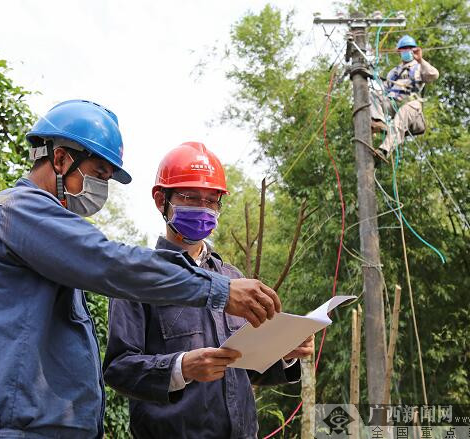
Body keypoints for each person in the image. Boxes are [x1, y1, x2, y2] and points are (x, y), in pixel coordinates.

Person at [0, 101, 282, 439]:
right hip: (7, 429)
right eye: (99, 174)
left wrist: (281, 348)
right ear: (60, 159)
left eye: (211, 200)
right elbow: (111, 264)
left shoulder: (45, 237)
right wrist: (218, 293)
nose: (102, 189)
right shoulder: (17, 213)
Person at [103, 142, 315, 439]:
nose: (203, 209)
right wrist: (181, 368)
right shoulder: (137, 279)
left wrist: (283, 354)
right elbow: (118, 369)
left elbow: (247, 369)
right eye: (191, 197)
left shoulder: (232, 278)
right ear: (160, 199)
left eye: (212, 200)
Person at [370, 35, 439, 161]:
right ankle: (378, 122)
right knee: (372, 95)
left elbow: (434, 75)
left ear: (414, 50)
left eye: (410, 49)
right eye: (404, 49)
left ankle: (384, 150)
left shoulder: (419, 67)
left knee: (401, 118)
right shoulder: (393, 72)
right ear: (399, 52)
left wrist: (420, 60)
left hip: (411, 104)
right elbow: (384, 91)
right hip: (393, 103)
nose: (407, 51)